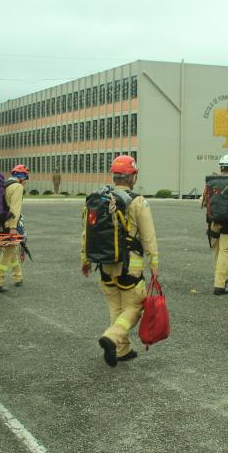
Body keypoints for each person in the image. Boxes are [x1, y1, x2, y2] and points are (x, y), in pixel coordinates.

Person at [81, 155, 159, 366]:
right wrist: (154, 264)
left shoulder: (99, 199)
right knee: (135, 307)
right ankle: (112, 337)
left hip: (105, 264)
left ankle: (122, 350)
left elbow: (86, 232)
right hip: (129, 266)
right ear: (132, 176)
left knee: (116, 308)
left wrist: (85, 260)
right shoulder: (138, 202)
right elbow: (148, 236)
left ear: (114, 176)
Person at [201, 154, 228, 295]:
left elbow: (201, 201)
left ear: (221, 167)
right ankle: (220, 285)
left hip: (213, 222)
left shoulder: (211, 181)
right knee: (224, 253)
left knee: (217, 252)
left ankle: (221, 279)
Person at [0, 164, 29, 292]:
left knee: (11, 249)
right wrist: (13, 227)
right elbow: (15, 209)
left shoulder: (5, 185)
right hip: (9, 225)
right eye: (26, 178)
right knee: (8, 252)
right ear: (22, 177)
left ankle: (18, 277)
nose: (25, 182)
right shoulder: (17, 187)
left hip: (0, 224)